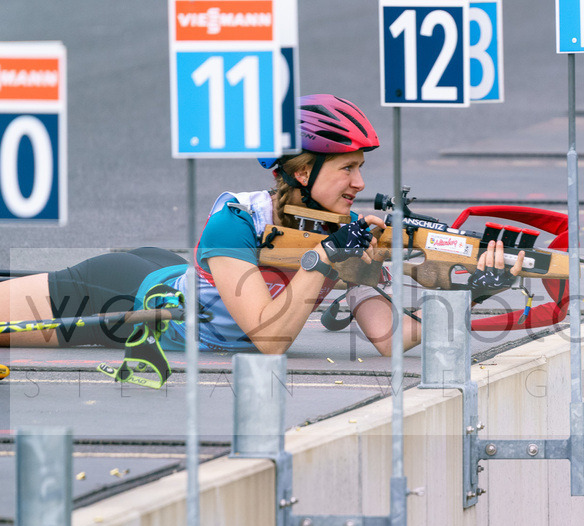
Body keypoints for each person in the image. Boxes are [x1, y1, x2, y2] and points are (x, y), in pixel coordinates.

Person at [0, 94, 522, 358]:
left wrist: (466, 295)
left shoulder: (343, 231)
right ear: (301, 172)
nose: (360, 183)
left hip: (170, 275)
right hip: (118, 292)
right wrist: (328, 263)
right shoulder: (236, 218)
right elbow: (270, 338)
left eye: (361, 167)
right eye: (347, 168)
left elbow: (390, 338)